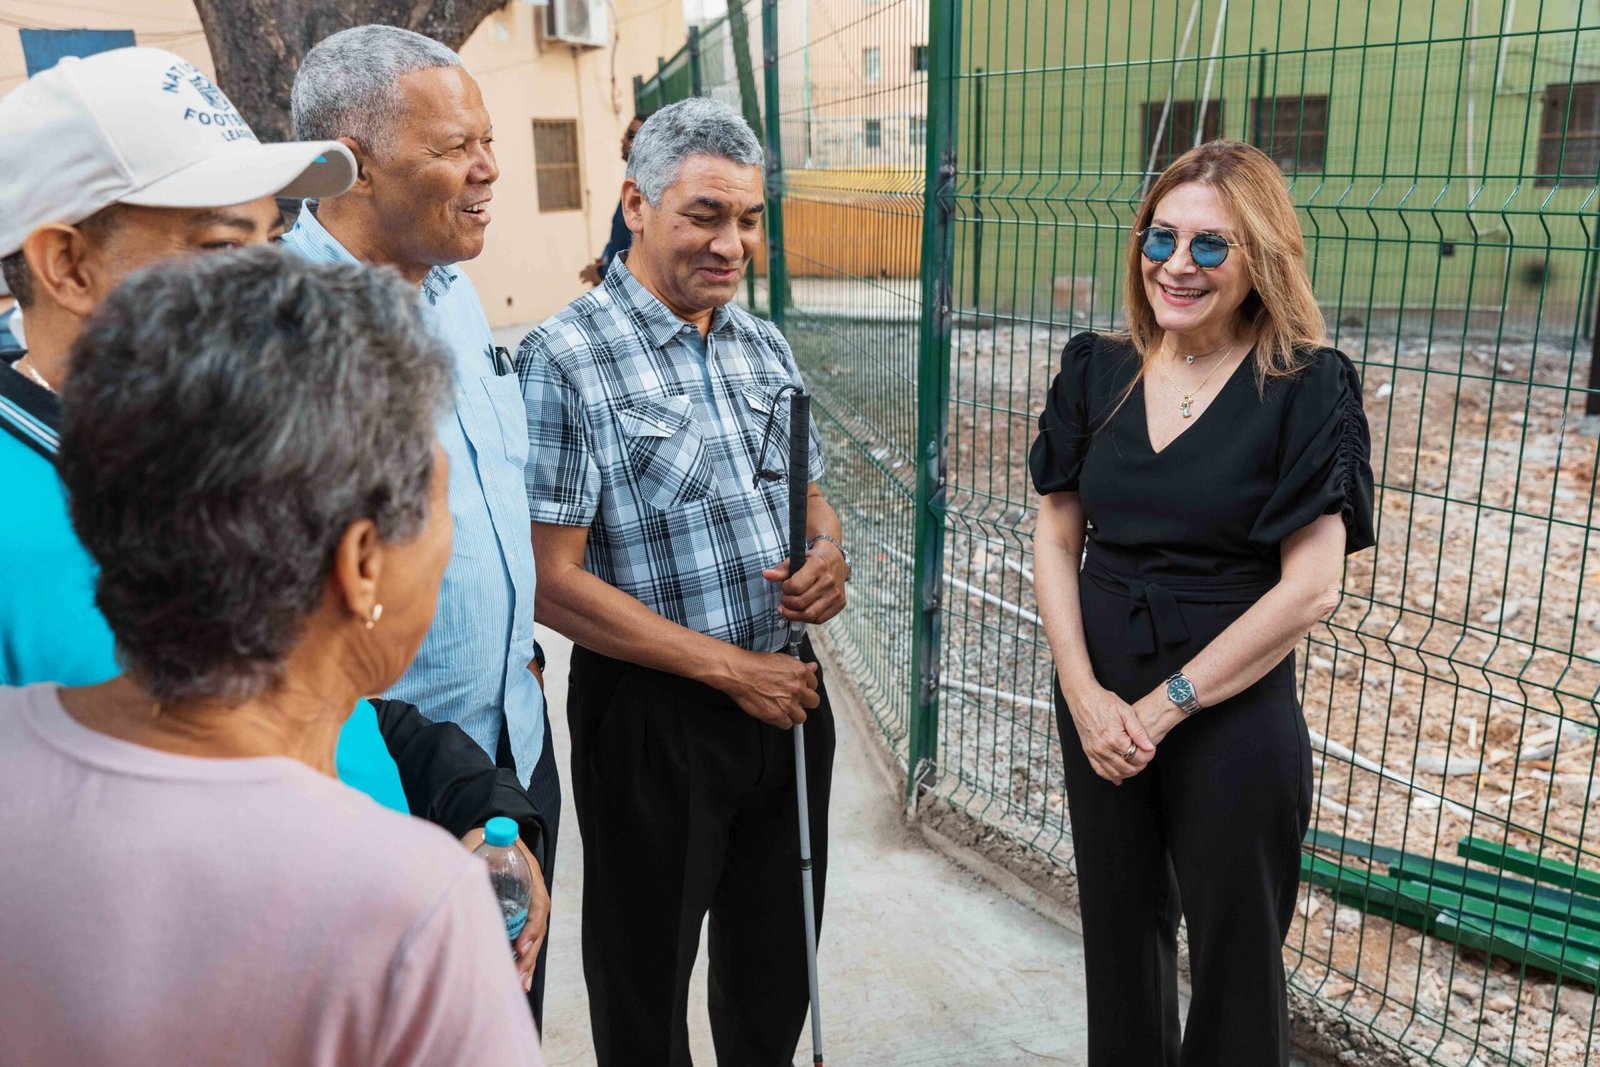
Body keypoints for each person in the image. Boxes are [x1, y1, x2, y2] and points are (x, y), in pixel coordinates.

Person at [0, 46, 551, 986]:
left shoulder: (221, 449)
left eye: (269, 241)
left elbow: (311, 696)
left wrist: (465, 793)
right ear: (67, 264)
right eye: (222, 251)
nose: (274, 286)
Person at [1028, 139, 1376, 1065]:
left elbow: (1311, 588)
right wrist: (1085, 693)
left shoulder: (1308, 386)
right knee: (1118, 931)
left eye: (1211, 246)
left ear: (1259, 258)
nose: (1177, 265)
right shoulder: (1097, 370)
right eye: (1161, 237)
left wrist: (1164, 704)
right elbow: (1058, 536)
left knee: (1234, 954)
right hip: (1099, 699)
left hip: (1229, 707)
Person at [519, 96, 850, 1066]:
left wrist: (827, 557)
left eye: (748, 218)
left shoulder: (762, 346)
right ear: (636, 202)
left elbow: (811, 493)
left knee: (773, 963)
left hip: (786, 697)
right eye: (704, 213)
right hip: (654, 718)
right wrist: (724, 670)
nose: (731, 241)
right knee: (645, 976)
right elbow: (552, 581)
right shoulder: (568, 358)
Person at [284, 24, 560, 1025]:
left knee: (509, 1012)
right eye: (454, 148)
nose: (489, 170)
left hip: (512, 756)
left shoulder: (449, 286)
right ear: (351, 167)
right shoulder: (284, 327)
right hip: (387, 781)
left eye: (486, 138)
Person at [578, 113, 645, 286]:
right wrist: (604, 260)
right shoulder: (632, 184)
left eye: (631, 136)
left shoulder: (646, 192)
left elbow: (633, 258)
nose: (623, 140)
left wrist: (601, 272)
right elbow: (619, 238)